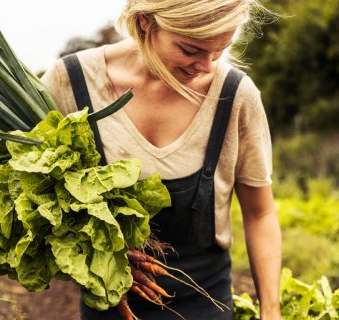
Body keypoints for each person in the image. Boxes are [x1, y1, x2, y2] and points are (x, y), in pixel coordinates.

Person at [42, 0, 282, 319]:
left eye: (219, 50)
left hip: (205, 305)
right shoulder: (71, 83)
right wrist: (92, 246)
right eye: (190, 50)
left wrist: (271, 310)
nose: (207, 66)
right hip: (108, 308)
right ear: (145, 21)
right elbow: (31, 196)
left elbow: (260, 213)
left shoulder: (236, 95)